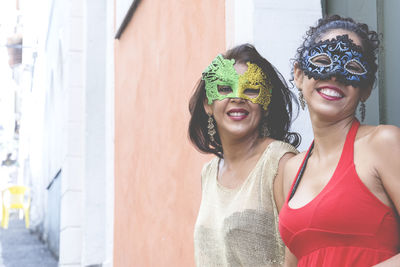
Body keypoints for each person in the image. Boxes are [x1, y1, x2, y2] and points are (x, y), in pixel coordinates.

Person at [279, 15, 400, 267]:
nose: (334, 74)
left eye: (353, 67)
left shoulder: (383, 144)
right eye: (322, 60)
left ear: (365, 89)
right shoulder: (291, 170)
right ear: (299, 75)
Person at [189, 43, 301, 266]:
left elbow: (301, 255)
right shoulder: (209, 172)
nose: (237, 97)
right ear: (207, 104)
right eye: (223, 88)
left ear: (266, 103)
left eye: (250, 89)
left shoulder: (281, 163)